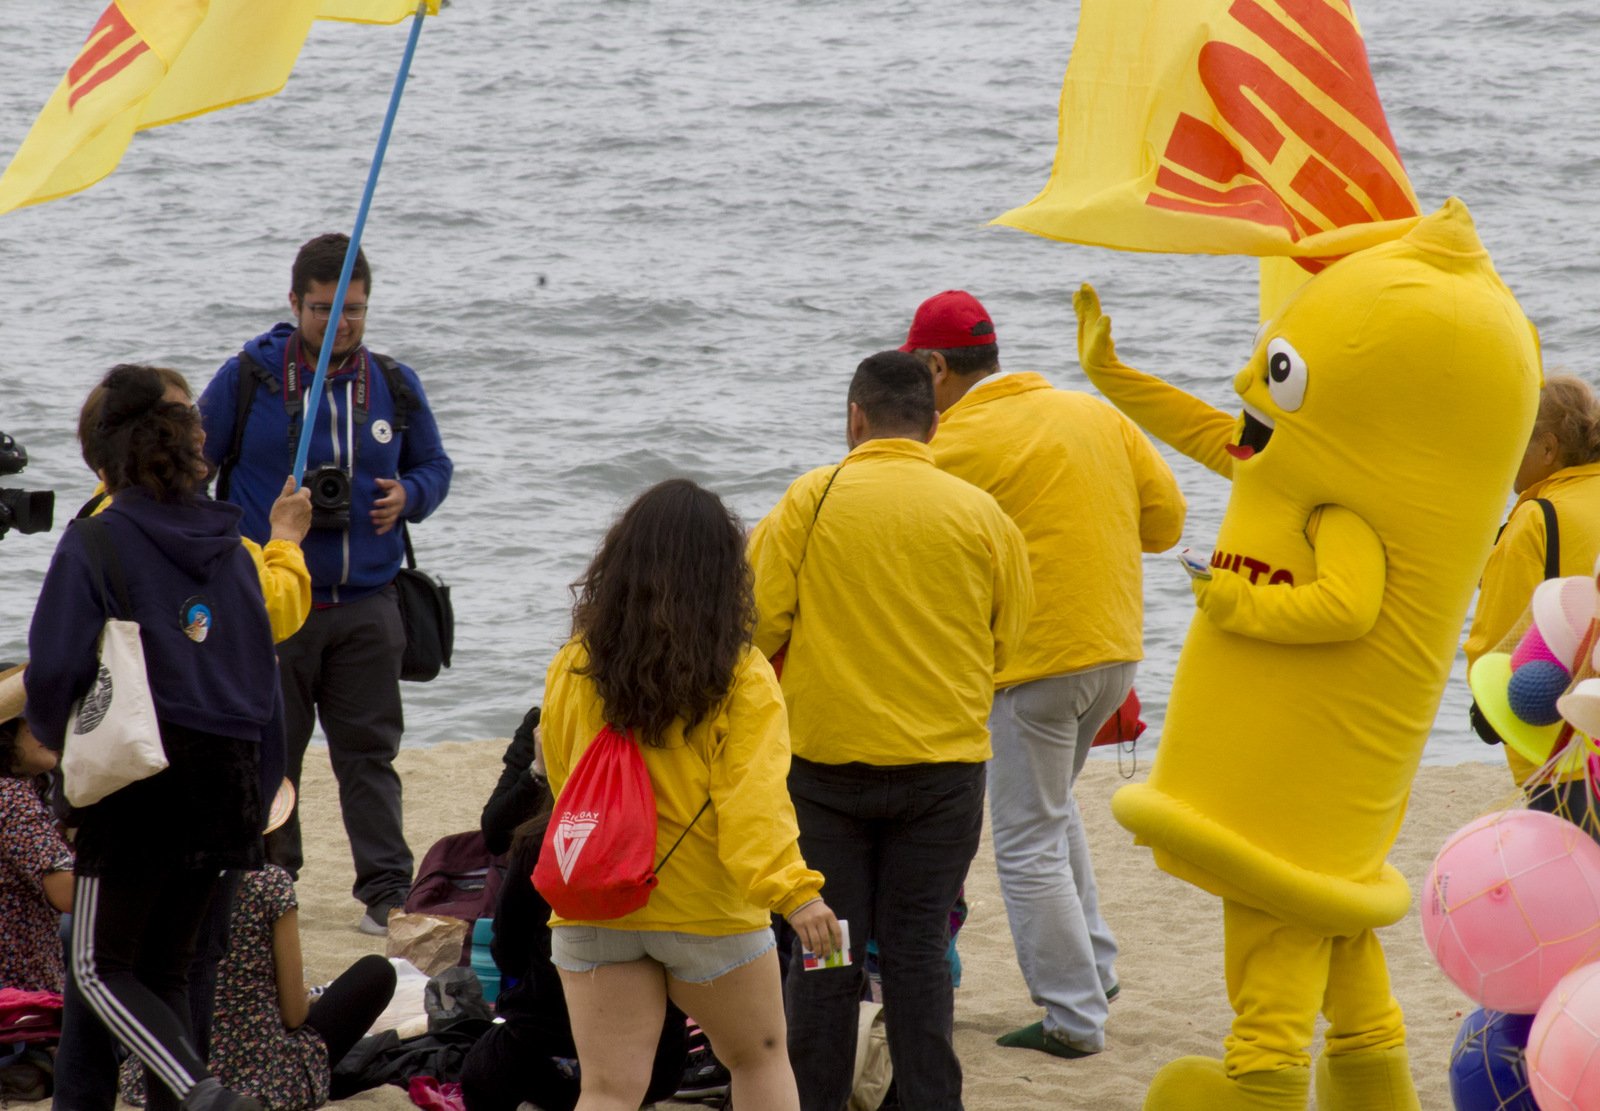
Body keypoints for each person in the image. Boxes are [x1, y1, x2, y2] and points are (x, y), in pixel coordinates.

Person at [901, 290, 1186, 1057]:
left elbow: (907, 545)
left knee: (1025, 840)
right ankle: (1093, 969)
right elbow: (1168, 523)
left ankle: (1073, 1018)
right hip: (1114, 653)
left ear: (935, 367)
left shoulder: (952, 441)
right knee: (1053, 812)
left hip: (1033, 664)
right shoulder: (1092, 411)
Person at [747, 350, 1034, 1111]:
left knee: (826, 961)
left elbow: (756, 624)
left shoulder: (811, 498)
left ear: (855, 417)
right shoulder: (981, 514)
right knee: (917, 957)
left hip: (827, 777)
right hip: (941, 780)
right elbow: (1011, 641)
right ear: (934, 423)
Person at [51, 367, 313, 1111]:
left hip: (141, 774)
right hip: (224, 776)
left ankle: (193, 1092)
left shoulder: (106, 532)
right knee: (172, 966)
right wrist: (287, 542)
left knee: (109, 967)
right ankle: (189, 1093)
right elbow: (266, 627)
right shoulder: (220, 539)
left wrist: (54, 756)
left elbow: (61, 667)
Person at [540, 478, 840, 1111]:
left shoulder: (573, 664)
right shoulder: (740, 674)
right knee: (757, 1060)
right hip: (706, 908)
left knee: (607, 1090)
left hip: (597, 898)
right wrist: (794, 891)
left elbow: (567, 784)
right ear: (723, 574)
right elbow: (752, 800)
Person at [199, 232, 453, 935]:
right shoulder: (249, 377)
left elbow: (436, 465)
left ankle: (385, 891)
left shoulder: (393, 384)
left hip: (368, 601)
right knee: (271, 754)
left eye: (354, 311)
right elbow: (194, 459)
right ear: (294, 302)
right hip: (274, 603)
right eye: (323, 309)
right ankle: (274, 883)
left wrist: (410, 494)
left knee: (370, 753)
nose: (339, 324)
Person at [461, 709, 688, 1111]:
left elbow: (507, 953)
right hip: (658, 1059)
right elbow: (495, 831)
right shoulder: (544, 721)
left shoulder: (539, 844)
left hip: (547, 1035)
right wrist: (537, 769)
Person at [118, 863, 397, 1111]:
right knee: (377, 972)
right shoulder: (268, 882)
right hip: (262, 1074)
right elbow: (293, 1016)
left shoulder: (151, 874)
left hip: (163, 1063)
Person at [1465, 372, 1600, 823]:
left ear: (1548, 447)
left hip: (1563, 740)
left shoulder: (1537, 519)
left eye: (1514, 441)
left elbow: (1500, 634)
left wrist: (1486, 709)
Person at [0, 662, 73, 994]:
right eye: (35, 717)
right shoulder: (11, 796)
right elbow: (67, 893)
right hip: (22, 1000)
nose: (51, 727)